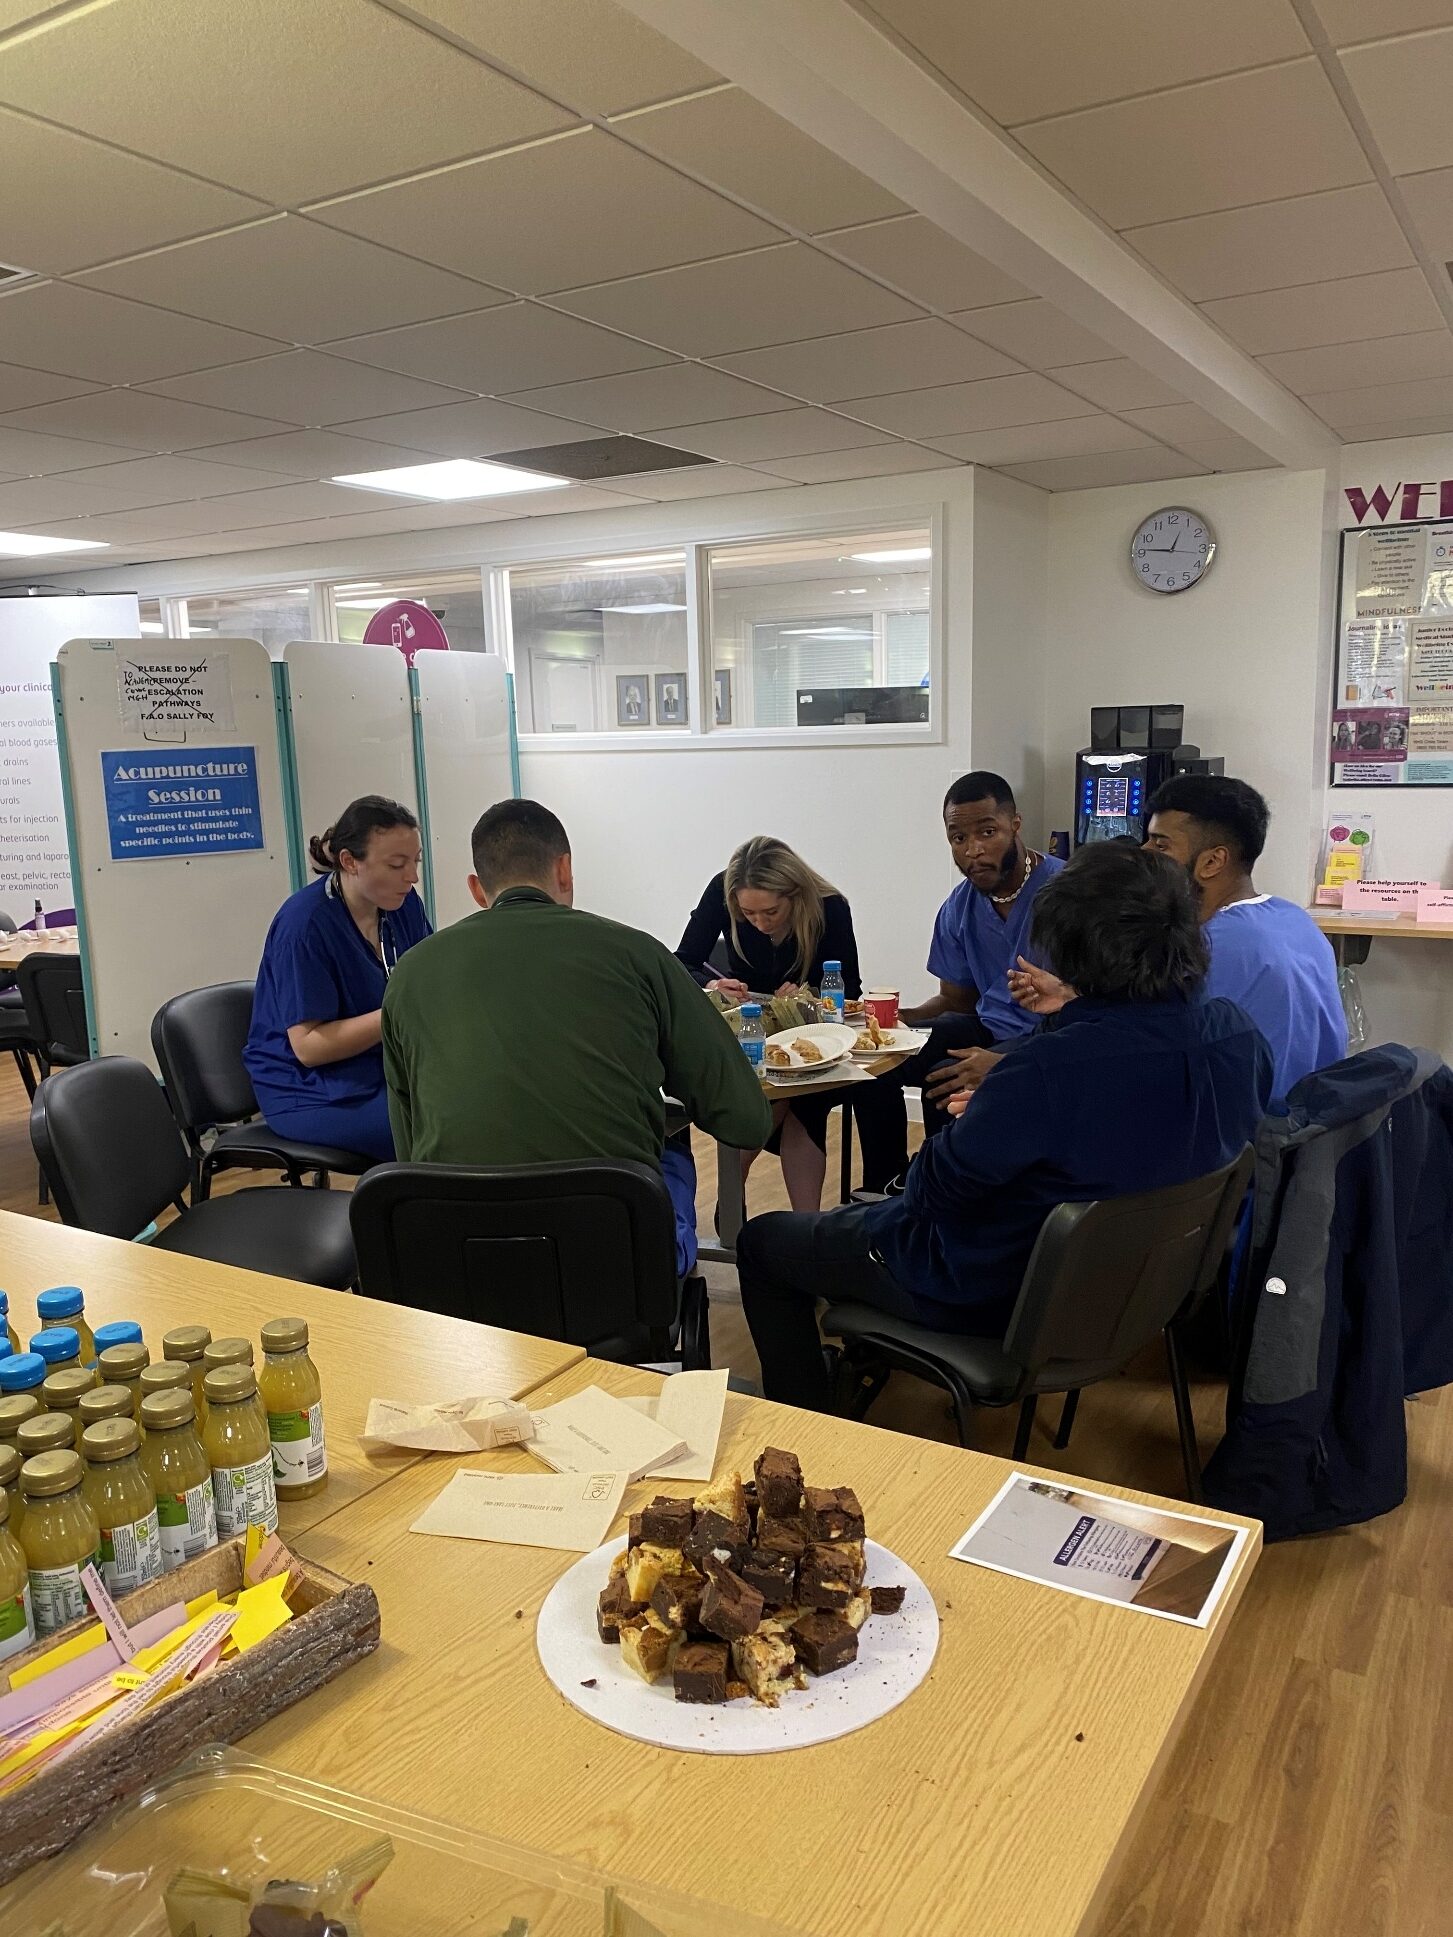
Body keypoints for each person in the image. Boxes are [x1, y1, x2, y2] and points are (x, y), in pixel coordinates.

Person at [736, 842, 1273, 1410]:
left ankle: (810, 1417)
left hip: (996, 1294)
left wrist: (984, 1110)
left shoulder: (1046, 1072)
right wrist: (1066, 1015)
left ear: (1069, 949)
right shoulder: (1238, 1034)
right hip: (1142, 1293)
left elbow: (931, 1195)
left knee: (765, 1242)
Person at [381, 799, 770, 1279]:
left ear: (477, 889)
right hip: (612, 1259)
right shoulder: (637, 955)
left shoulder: (409, 976)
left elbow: (409, 1150)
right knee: (672, 1152)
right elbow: (746, 1120)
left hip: (462, 1262)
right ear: (564, 869)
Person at [1010, 776, 1347, 1108]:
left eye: (1161, 845)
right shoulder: (1295, 920)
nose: (1144, 854)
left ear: (1212, 862)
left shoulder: (1205, 946)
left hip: (1246, 1126)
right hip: (1310, 1124)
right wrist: (1071, 996)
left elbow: (1134, 1052)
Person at [853, 771, 1064, 1192]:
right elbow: (956, 1002)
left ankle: (938, 1192)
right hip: (986, 1025)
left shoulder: (1067, 895)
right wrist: (893, 1022)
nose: (973, 850)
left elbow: (1095, 1006)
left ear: (1014, 825)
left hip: (1049, 1035)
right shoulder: (959, 907)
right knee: (875, 1061)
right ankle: (885, 1188)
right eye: (958, 838)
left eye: (987, 832)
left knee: (947, 1077)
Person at [676, 836, 862, 1211]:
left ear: (795, 895)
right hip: (750, 1032)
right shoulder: (720, 891)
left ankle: (786, 1219)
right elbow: (682, 963)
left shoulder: (829, 907)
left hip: (813, 1038)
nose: (760, 923)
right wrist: (713, 984)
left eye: (771, 912)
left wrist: (808, 994)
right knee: (766, 1100)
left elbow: (850, 987)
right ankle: (747, 1207)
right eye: (748, 914)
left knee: (799, 1101)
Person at [244, 795, 432, 1164]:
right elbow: (309, 1047)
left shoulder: (402, 904)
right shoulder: (304, 926)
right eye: (396, 865)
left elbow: (424, 978)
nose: (412, 877)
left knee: (481, 1101)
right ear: (349, 862)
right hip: (308, 1091)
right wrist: (396, 1013)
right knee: (436, 1128)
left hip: (379, 1070)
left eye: (416, 861)